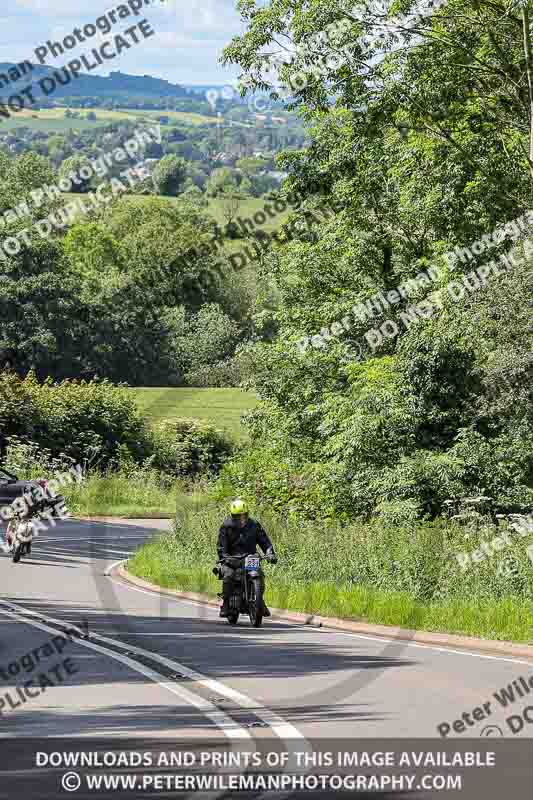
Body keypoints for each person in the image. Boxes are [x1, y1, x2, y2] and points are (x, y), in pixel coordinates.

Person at [216, 498, 277, 618]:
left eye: (244, 516)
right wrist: (225, 558)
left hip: (250, 557)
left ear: (247, 514)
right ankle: (226, 604)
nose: (241, 519)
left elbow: (265, 541)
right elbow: (221, 546)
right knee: (228, 576)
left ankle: (259, 602)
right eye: (238, 516)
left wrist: (270, 553)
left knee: (259, 574)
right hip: (232, 560)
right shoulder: (226, 526)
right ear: (232, 516)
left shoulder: (254, 525)